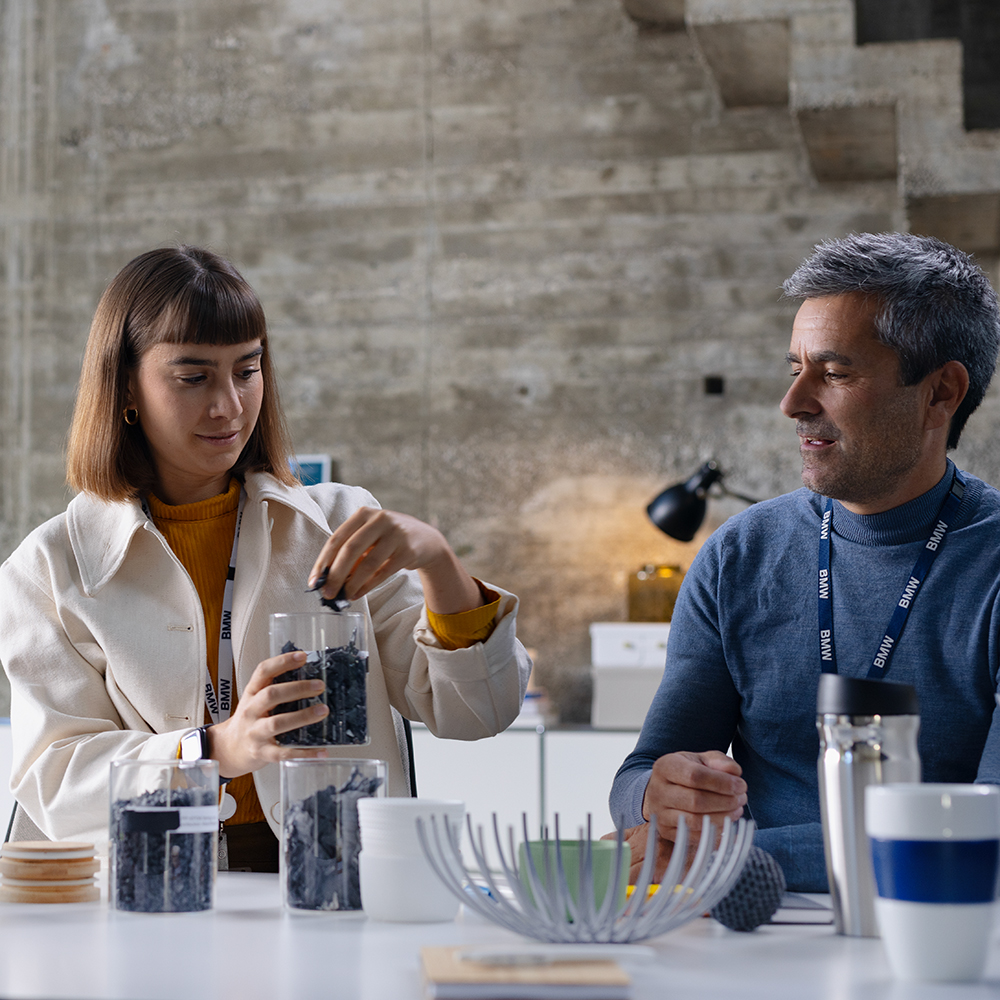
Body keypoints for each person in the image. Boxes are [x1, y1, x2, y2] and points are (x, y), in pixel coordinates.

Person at [0, 246, 531, 869]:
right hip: (154, 894)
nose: (228, 405)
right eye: (193, 377)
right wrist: (214, 749)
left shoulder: (339, 524)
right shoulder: (52, 565)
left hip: (335, 881)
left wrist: (438, 562)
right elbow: (54, 781)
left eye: (247, 371)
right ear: (126, 387)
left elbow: (477, 711)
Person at [610, 232, 1000, 891]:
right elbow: (641, 773)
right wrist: (659, 797)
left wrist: (737, 860)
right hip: (752, 933)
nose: (793, 404)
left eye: (836, 373)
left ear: (942, 393)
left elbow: (986, 832)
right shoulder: (738, 555)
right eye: (796, 369)